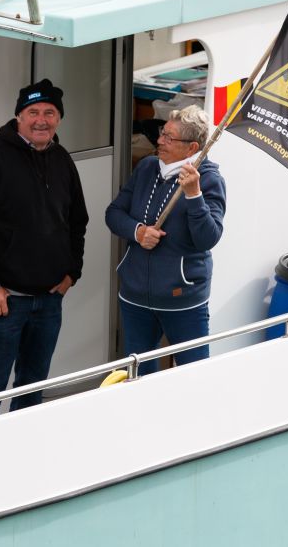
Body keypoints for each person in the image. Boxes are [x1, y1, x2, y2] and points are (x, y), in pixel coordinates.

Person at [0, 78, 89, 424]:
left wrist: (72, 272)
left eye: (49, 112)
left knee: (32, 387)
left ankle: (19, 455)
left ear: (59, 118)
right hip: (3, 303)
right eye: (33, 112)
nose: (41, 120)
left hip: (48, 301)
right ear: (18, 117)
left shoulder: (62, 160)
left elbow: (78, 221)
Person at [105, 105, 225, 375]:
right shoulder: (147, 167)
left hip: (183, 300)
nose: (159, 140)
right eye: (162, 133)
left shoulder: (209, 180)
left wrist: (194, 195)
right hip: (135, 297)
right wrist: (138, 232)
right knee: (137, 376)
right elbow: (113, 214)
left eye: (169, 138)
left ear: (192, 147)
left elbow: (208, 238)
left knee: (192, 377)